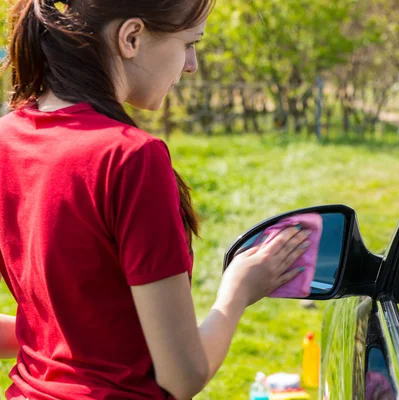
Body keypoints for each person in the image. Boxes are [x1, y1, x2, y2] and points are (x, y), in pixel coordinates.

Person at [0, 0, 311, 399]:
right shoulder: (130, 158)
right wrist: (238, 292)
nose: (191, 64)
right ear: (131, 37)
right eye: (188, 43)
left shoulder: (7, 138)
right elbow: (181, 378)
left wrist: (48, 341)